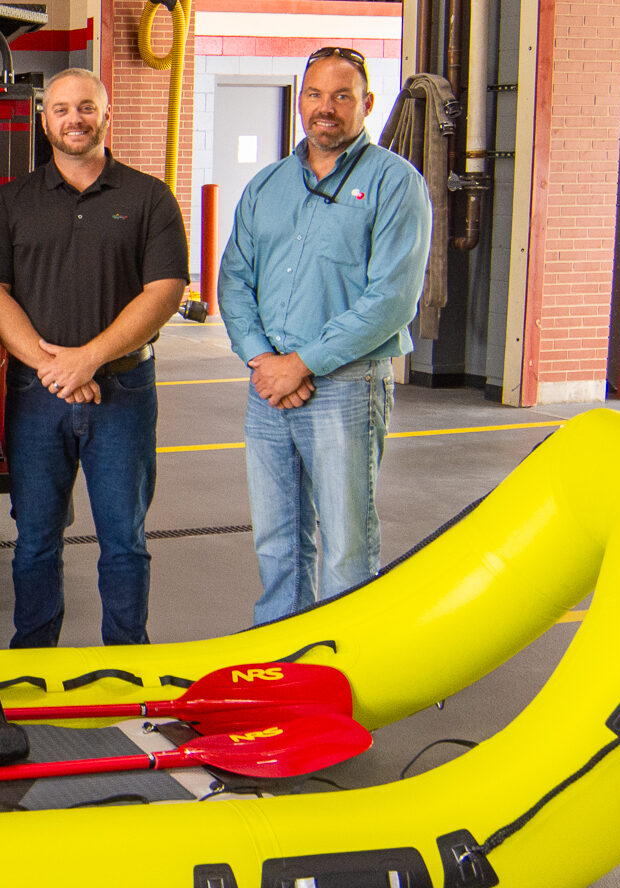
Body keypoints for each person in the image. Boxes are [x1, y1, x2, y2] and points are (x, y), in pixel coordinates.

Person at [0, 68, 189, 648]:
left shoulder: (149, 198)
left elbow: (165, 290)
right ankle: (34, 659)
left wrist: (88, 359)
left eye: (87, 108)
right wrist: (55, 369)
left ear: (107, 115)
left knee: (124, 538)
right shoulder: (10, 203)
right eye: (63, 109)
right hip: (35, 395)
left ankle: (128, 661)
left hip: (123, 394)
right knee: (36, 538)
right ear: (44, 120)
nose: (75, 119)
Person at [218, 46, 432, 625]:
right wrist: (264, 359)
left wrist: (302, 364)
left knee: (346, 548)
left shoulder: (395, 184)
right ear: (301, 103)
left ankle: (344, 672)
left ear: (366, 103)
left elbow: (390, 301)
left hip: (345, 391)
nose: (326, 108)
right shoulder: (268, 186)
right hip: (267, 391)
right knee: (277, 543)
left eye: (342, 96)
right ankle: (284, 663)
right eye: (314, 94)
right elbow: (234, 280)